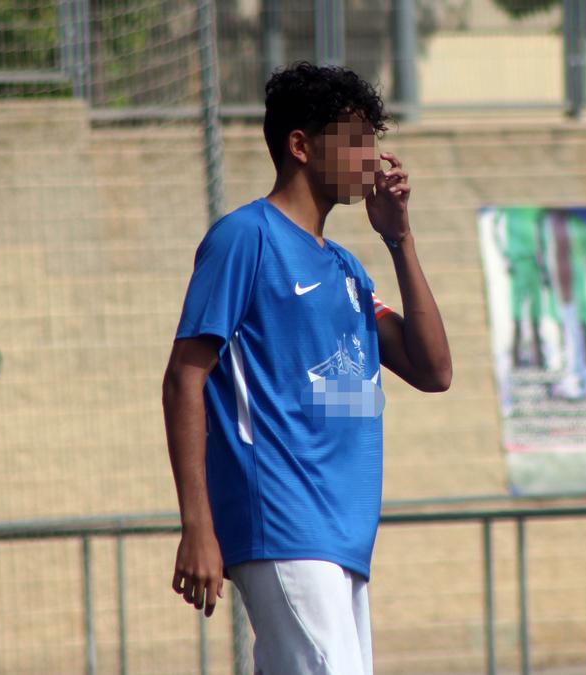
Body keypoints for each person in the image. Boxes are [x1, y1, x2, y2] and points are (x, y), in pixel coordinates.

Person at [162, 62, 451, 674]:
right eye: (356, 139)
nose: (371, 156)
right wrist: (197, 525)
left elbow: (433, 370)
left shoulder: (346, 268)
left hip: (343, 534)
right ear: (301, 145)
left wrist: (400, 241)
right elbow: (185, 375)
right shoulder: (246, 237)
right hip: (282, 522)